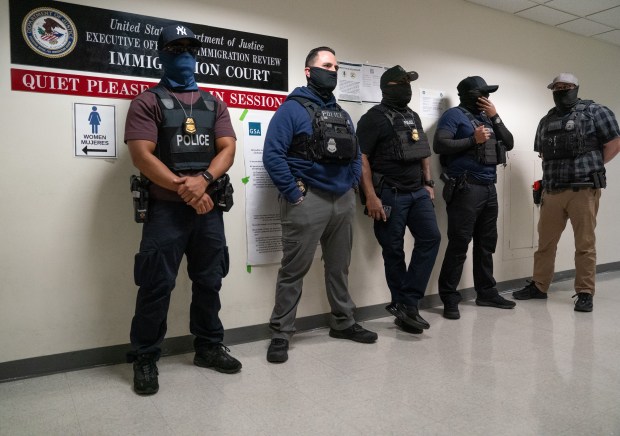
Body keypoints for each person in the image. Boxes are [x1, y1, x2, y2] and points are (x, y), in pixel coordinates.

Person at [125, 24, 241, 395]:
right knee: (156, 285)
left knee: (210, 281)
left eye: (191, 48)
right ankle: (145, 357)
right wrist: (186, 188)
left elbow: (228, 149)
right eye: (176, 49)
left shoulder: (213, 103)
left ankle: (208, 346)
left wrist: (203, 180)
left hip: (208, 210)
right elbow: (142, 156)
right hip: (165, 213)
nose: (185, 55)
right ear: (161, 55)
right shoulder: (147, 102)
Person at [262, 46, 377, 364]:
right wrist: (294, 193)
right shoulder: (291, 109)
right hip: (307, 199)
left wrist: (352, 185)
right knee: (293, 270)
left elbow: (355, 154)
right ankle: (281, 333)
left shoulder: (341, 113)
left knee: (339, 267)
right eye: (327, 65)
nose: (333, 71)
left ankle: (343, 322)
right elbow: (273, 154)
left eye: (336, 67)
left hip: (341, 201)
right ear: (309, 71)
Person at [513, 73, 620, 312]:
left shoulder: (596, 112)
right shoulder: (546, 120)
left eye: (566, 87)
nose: (561, 91)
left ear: (576, 88)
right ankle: (539, 286)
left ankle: (584, 292)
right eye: (557, 87)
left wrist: (593, 166)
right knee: (545, 244)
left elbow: (614, 143)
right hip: (552, 190)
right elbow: (542, 152)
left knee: (585, 244)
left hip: (583, 190)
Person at [356, 65, 441, 334]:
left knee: (431, 238)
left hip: (417, 192)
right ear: (387, 87)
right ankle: (405, 307)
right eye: (402, 83)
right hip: (389, 194)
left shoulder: (413, 116)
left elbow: (423, 150)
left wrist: (427, 182)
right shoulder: (372, 118)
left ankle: (407, 303)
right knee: (393, 251)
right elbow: (362, 159)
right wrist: (370, 196)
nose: (407, 87)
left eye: (409, 82)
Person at [434, 76, 516, 320]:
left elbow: (509, 143)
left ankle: (487, 292)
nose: (487, 98)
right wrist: (473, 140)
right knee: (459, 244)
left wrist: (495, 116)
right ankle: (449, 297)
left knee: (486, 244)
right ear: (469, 94)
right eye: (483, 94)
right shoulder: (453, 115)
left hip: (489, 188)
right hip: (466, 188)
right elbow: (440, 144)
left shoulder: (486, 117)